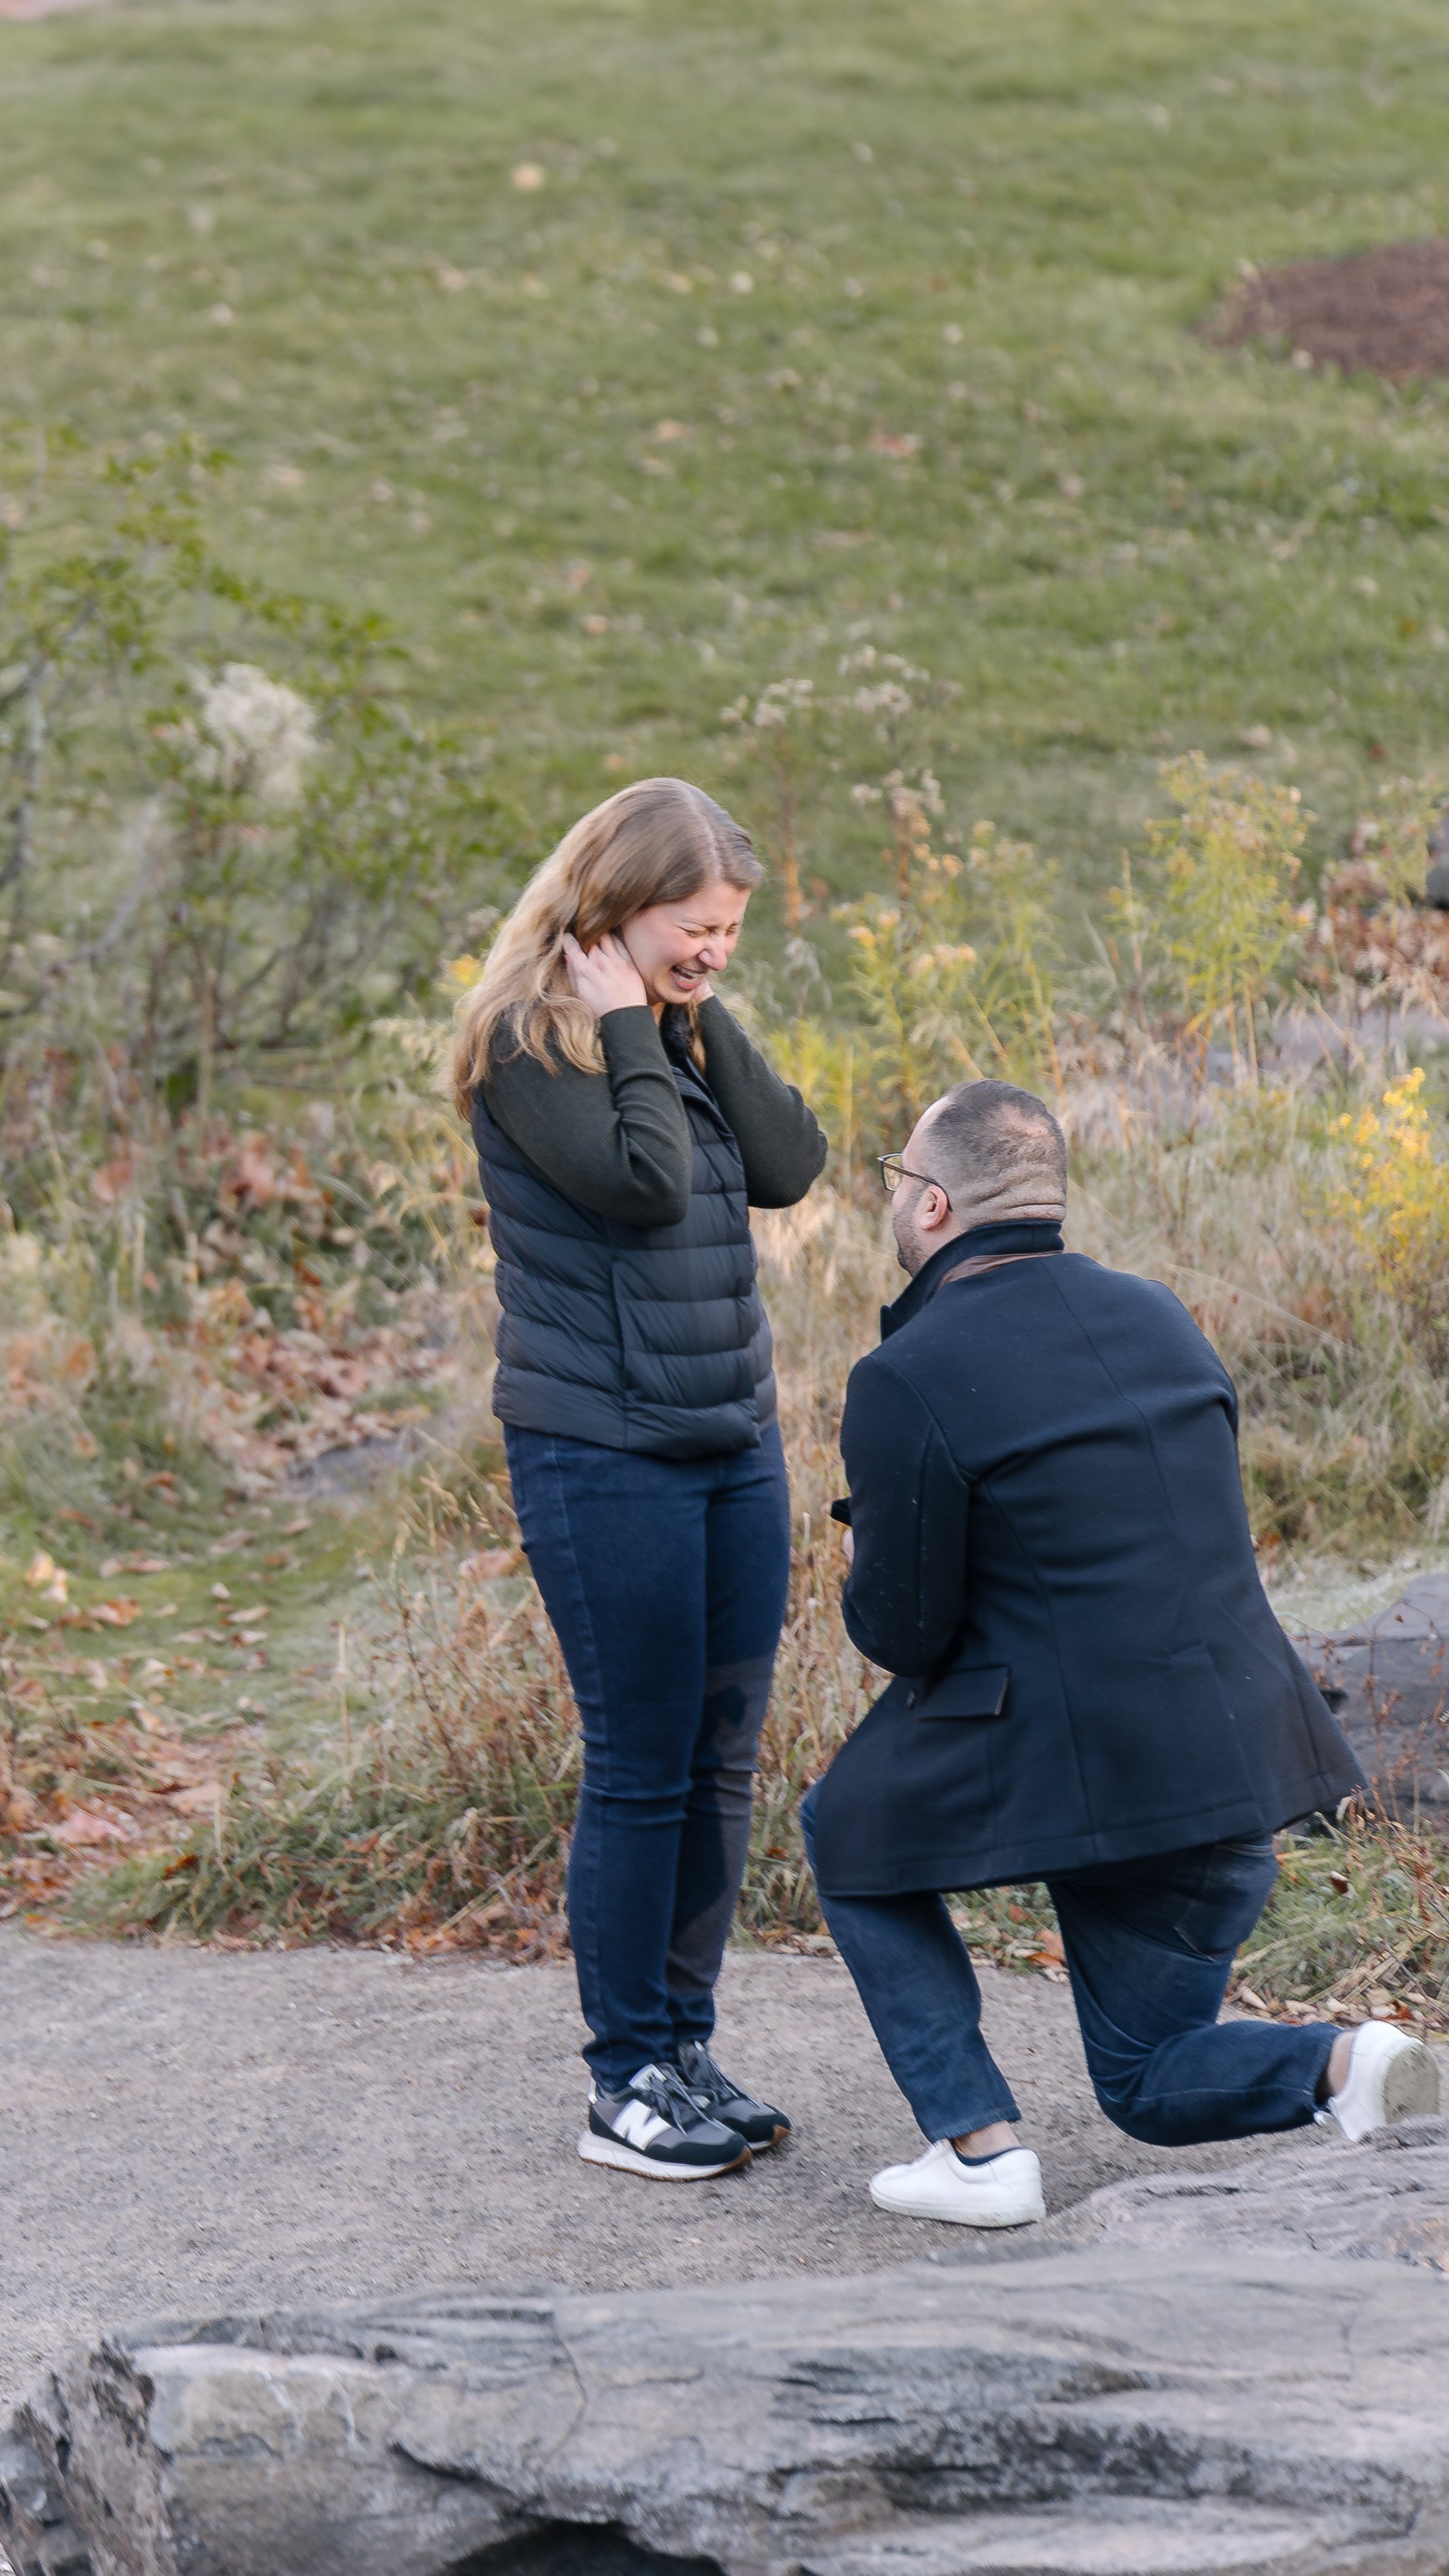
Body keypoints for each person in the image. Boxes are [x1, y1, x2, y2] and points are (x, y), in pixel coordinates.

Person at [803, 1078, 1437, 2229]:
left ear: (935, 1205)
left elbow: (902, 1630)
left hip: (1091, 1762)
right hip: (1241, 1755)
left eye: (899, 1180)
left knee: (845, 1824)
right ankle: (1346, 2063)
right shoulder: (1159, 1312)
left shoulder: (908, 1372)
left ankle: (981, 2151)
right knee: (1147, 2077)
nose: (896, 1200)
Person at [451, 778, 827, 2183]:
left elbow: (786, 1165)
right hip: (599, 1450)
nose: (713, 948)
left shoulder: (666, 1032)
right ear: (607, 908)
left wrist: (683, 1010)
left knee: (718, 1764)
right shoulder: (527, 1043)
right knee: (640, 1764)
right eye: (691, 926)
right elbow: (646, 1188)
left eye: (729, 930)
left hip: (729, 1442)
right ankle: (624, 2082)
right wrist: (623, 1018)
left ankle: (684, 2050)